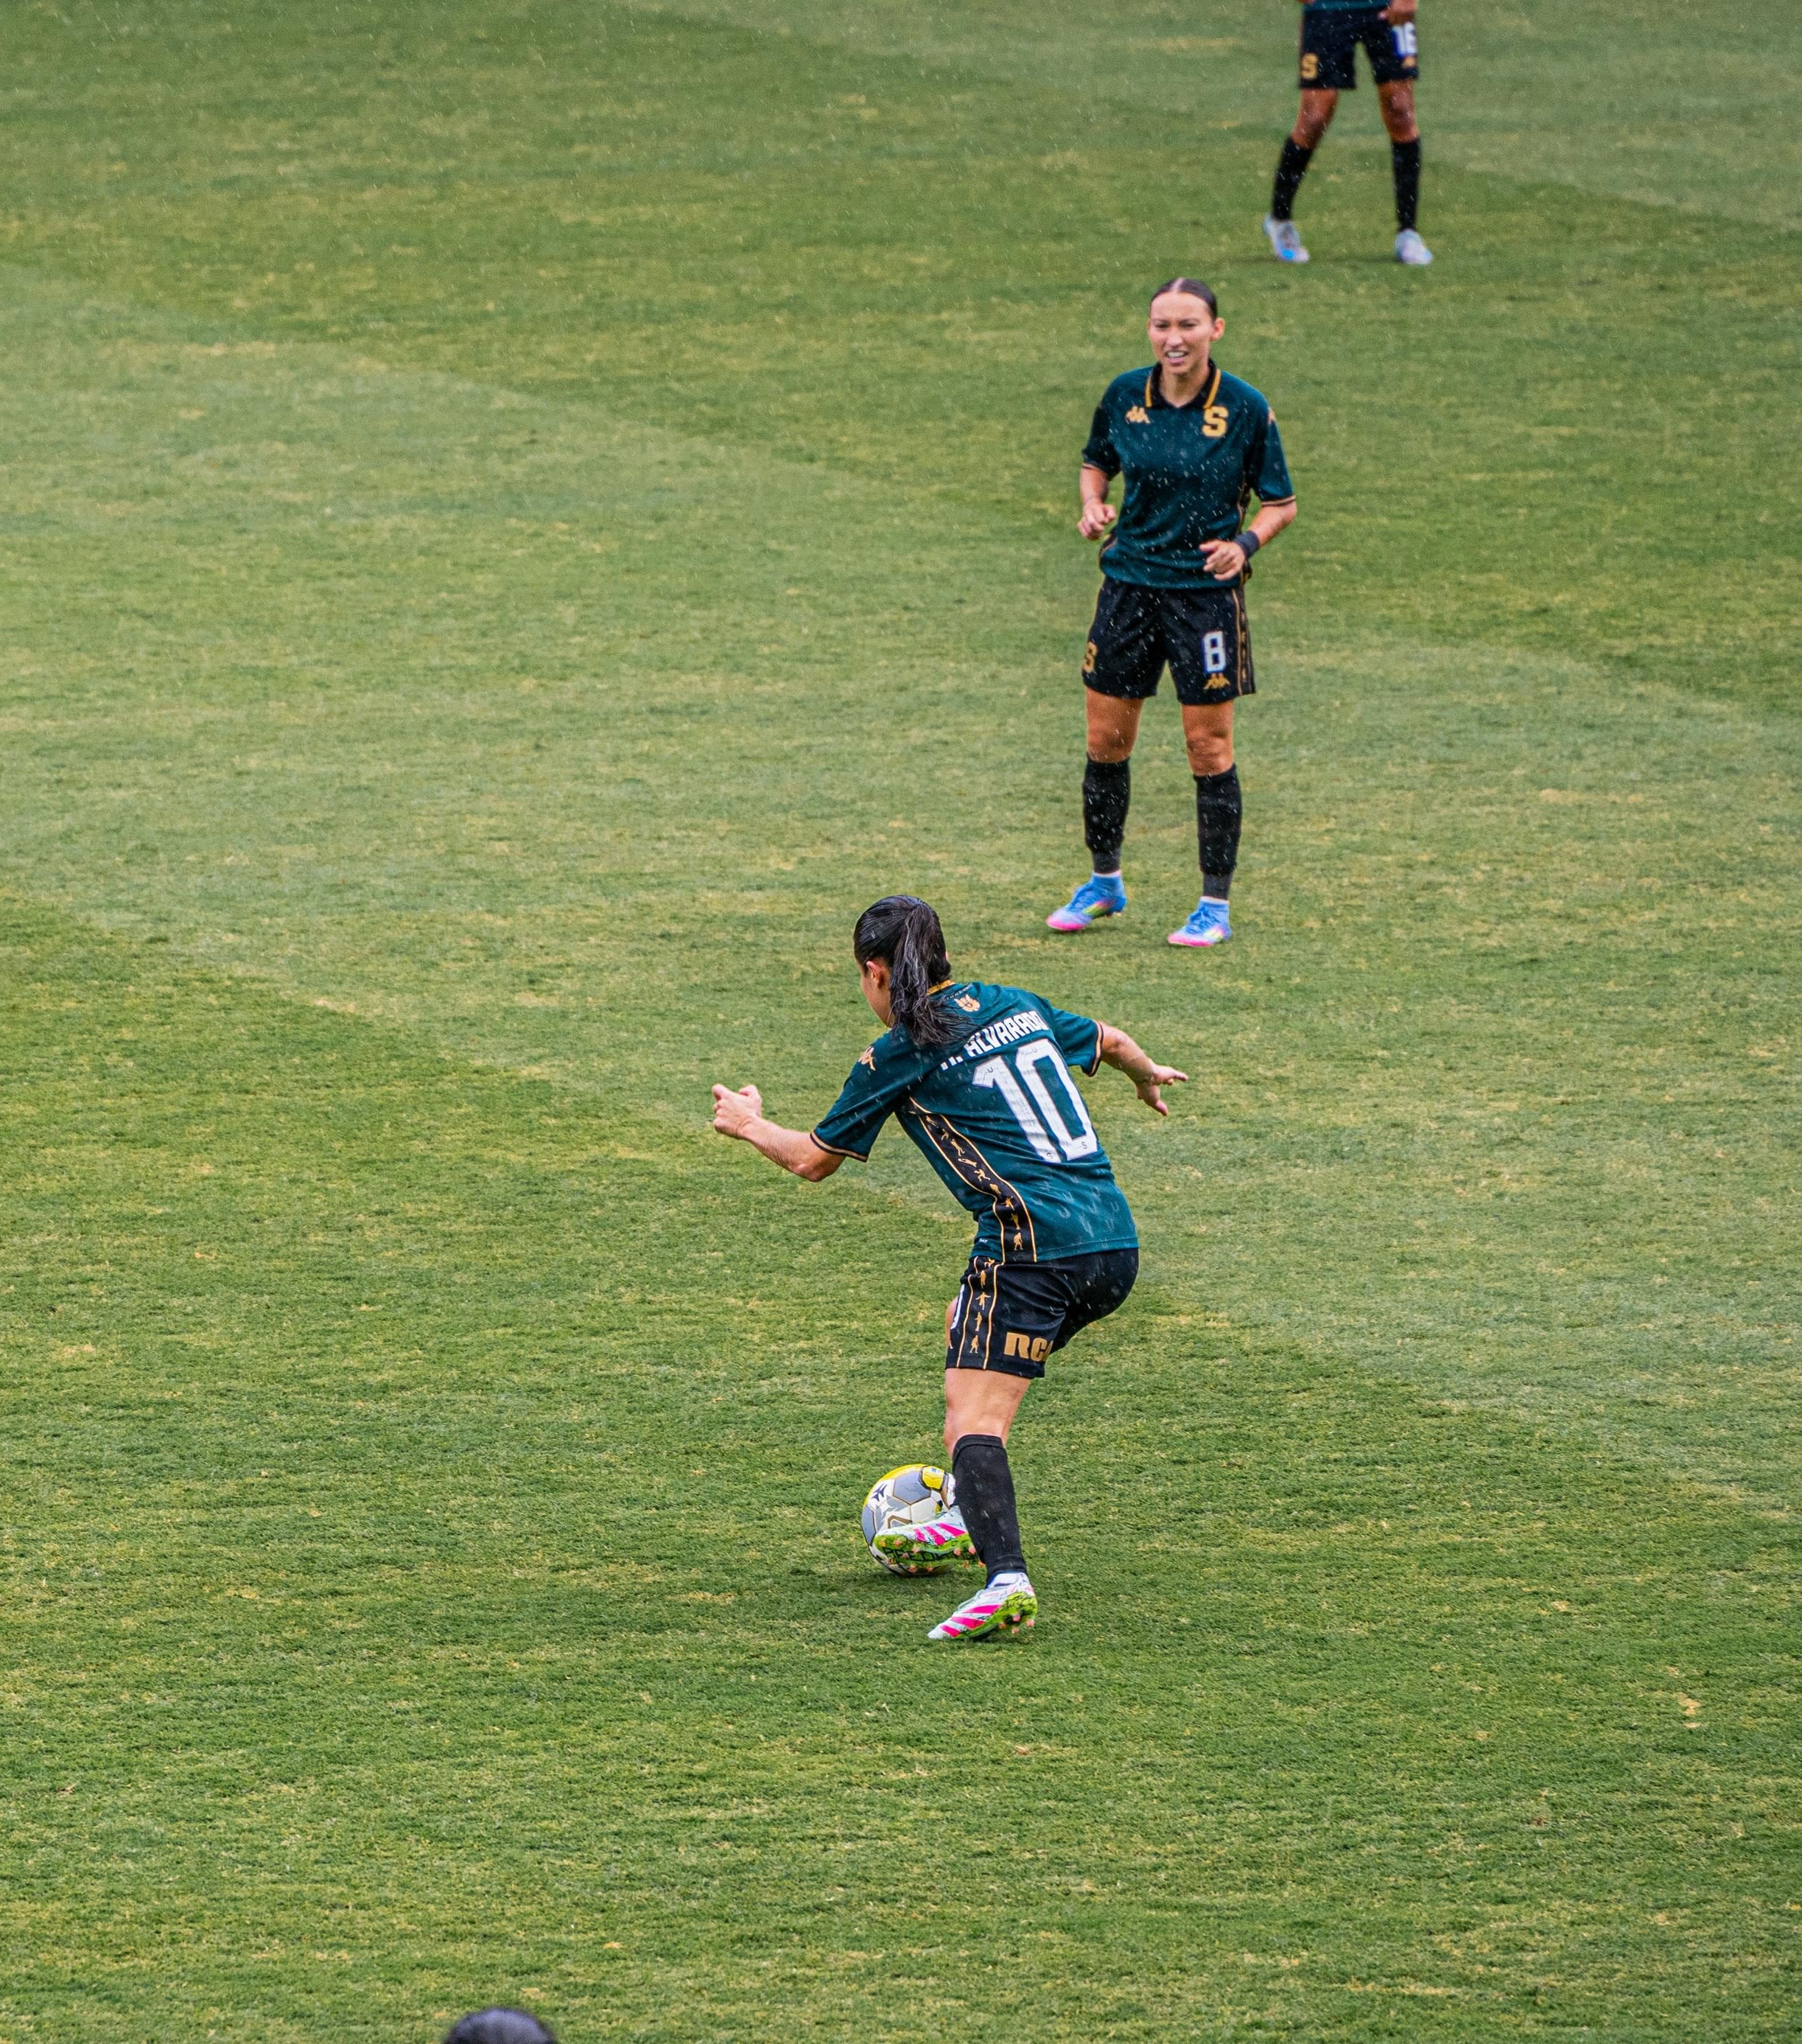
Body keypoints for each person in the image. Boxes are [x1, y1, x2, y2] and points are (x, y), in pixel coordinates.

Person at [710, 895, 1185, 1642]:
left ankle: (1005, 1577)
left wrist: (744, 1122)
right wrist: (1143, 1075)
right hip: (1112, 1246)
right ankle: (971, 1508)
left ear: (875, 971)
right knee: (964, 1326)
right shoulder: (1011, 1003)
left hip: (1030, 1249)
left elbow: (809, 1159)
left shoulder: (898, 1050)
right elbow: (1113, 1037)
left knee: (974, 1417)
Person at [1048, 281, 1295, 950]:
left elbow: (1281, 502)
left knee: (1207, 748)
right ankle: (1104, 883)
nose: (1173, 338)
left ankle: (1213, 905)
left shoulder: (1244, 408)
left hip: (1204, 600)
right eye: (1161, 325)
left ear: (1217, 329)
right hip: (1128, 587)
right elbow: (1096, 461)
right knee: (1106, 742)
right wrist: (1094, 504)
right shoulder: (1126, 393)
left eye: (1188, 324)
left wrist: (1246, 544)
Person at [1263, 0, 1431, 267]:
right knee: (1314, 118)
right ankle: (1280, 220)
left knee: (1400, 110)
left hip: (1386, 8)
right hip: (1328, 9)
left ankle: (1408, 232)